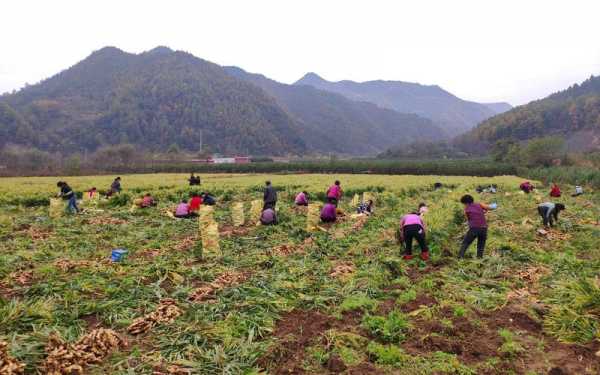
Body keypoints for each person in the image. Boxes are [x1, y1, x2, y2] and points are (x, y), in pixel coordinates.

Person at [458, 194, 492, 259]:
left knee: (466, 242)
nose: (464, 205)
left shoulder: (466, 209)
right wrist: (484, 211)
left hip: (474, 228)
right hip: (484, 228)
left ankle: (460, 257)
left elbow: (468, 218)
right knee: (481, 245)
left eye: (464, 204)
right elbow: (488, 208)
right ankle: (479, 259)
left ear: (466, 203)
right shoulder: (479, 204)